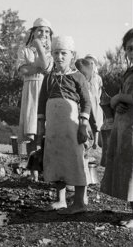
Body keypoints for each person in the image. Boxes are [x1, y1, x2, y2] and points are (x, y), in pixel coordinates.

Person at [38, 36, 92, 215]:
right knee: (56, 161)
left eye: (63, 53)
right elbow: (41, 102)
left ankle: (78, 203)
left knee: (75, 161)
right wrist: (40, 127)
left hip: (72, 127)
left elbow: (86, 102)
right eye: (56, 53)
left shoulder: (78, 77)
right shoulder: (48, 79)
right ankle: (61, 200)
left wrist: (83, 124)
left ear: (72, 55)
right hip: (53, 128)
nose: (59, 57)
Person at [101, 28, 133, 229]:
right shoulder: (129, 72)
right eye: (130, 49)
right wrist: (118, 103)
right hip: (126, 129)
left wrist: (119, 98)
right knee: (129, 171)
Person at [16, 18, 54, 172]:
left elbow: (46, 68)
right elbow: (22, 71)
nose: (43, 34)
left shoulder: (52, 53)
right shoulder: (24, 50)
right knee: (31, 127)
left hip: (45, 89)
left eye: (46, 31)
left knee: (43, 129)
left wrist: (39, 51)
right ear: (33, 32)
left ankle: (45, 167)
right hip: (30, 90)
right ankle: (33, 171)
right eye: (40, 30)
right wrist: (36, 66)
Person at [75, 58, 101, 149]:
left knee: (92, 122)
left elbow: (93, 120)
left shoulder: (93, 79)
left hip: (87, 108)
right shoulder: (75, 80)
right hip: (77, 115)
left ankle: (93, 143)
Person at [84, 54, 105, 148]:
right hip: (86, 100)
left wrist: (98, 99)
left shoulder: (98, 78)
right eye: (88, 63)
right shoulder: (84, 76)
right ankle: (86, 139)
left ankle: (95, 142)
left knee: (96, 121)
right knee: (85, 119)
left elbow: (99, 89)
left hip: (95, 101)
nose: (90, 65)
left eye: (92, 63)